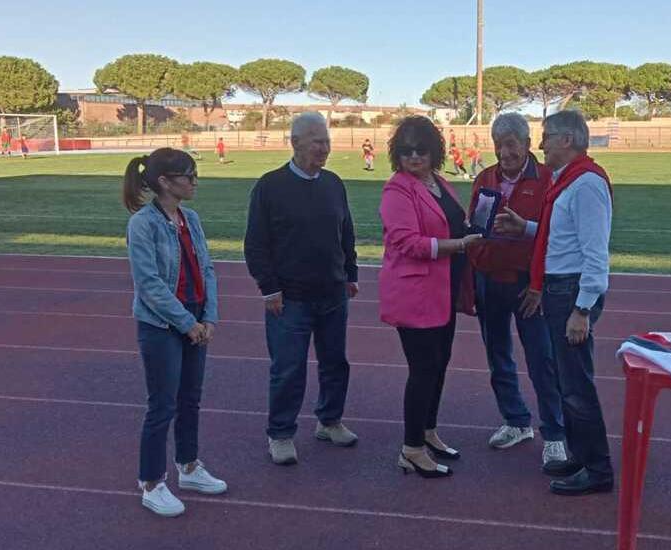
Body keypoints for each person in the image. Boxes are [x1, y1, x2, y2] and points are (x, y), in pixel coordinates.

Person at [493, 110, 614, 496]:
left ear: (567, 140)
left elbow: (596, 253)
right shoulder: (568, 181)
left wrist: (582, 310)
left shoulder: (587, 183)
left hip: (571, 292)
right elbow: (559, 237)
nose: (540, 144)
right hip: (561, 288)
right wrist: (525, 228)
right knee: (567, 382)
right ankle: (581, 456)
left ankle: (597, 469)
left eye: (545, 136)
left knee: (576, 385)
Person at [245, 112, 360, 465]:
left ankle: (330, 420)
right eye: (317, 142)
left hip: (333, 293)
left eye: (326, 142)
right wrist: (269, 288)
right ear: (295, 143)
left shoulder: (333, 183)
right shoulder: (269, 186)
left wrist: (350, 273)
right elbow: (256, 243)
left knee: (335, 364)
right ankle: (280, 433)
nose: (324, 149)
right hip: (289, 299)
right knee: (288, 368)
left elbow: (346, 232)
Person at [123, 147, 227, 517]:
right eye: (188, 175)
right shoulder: (143, 224)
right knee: (162, 405)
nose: (195, 181)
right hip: (163, 325)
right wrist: (188, 323)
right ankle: (151, 482)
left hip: (196, 319)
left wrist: (209, 317)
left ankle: (188, 466)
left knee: (190, 399)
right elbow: (149, 284)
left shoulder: (191, 219)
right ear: (165, 182)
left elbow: (207, 268)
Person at [378, 115, 481, 479]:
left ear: (434, 150)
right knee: (422, 370)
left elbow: (454, 221)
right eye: (406, 151)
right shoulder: (397, 190)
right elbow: (406, 241)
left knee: (439, 365)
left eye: (421, 149)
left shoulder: (439, 183)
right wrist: (456, 245)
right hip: (415, 293)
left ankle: (427, 431)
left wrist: (476, 227)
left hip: (444, 289)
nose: (414, 157)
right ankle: (411, 448)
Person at [466, 113, 567, 469]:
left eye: (511, 144)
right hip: (490, 281)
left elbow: (559, 236)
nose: (504, 152)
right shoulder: (484, 178)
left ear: (527, 144)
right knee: (498, 357)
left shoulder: (547, 180)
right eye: (498, 144)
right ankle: (515, 421)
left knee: (543, 361)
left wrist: (538, 283)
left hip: (529, 285)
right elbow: (474, 225)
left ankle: (555, 434)